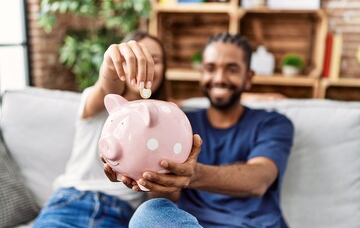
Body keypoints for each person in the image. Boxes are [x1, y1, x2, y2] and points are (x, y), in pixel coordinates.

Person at [113, 32, 295, 228]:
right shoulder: (179, 122)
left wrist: (193, 174)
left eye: (231, 69)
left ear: (248, 77)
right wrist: (151, 176)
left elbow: (258, 180)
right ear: (201, 74)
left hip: (254, 225)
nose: (219, 78)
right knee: (149, 214)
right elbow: (170, 196)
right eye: (210, 68)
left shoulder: (273, 123)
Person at [33, 31, 169, 227]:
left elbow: (167, 196)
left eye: (154, 60)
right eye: (135, 59)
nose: (143, 67)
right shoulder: (98, 102)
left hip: (121, 213)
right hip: (70, 202)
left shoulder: (168, 122)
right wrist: (111, 63)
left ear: (164, 69)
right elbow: (107, 88)